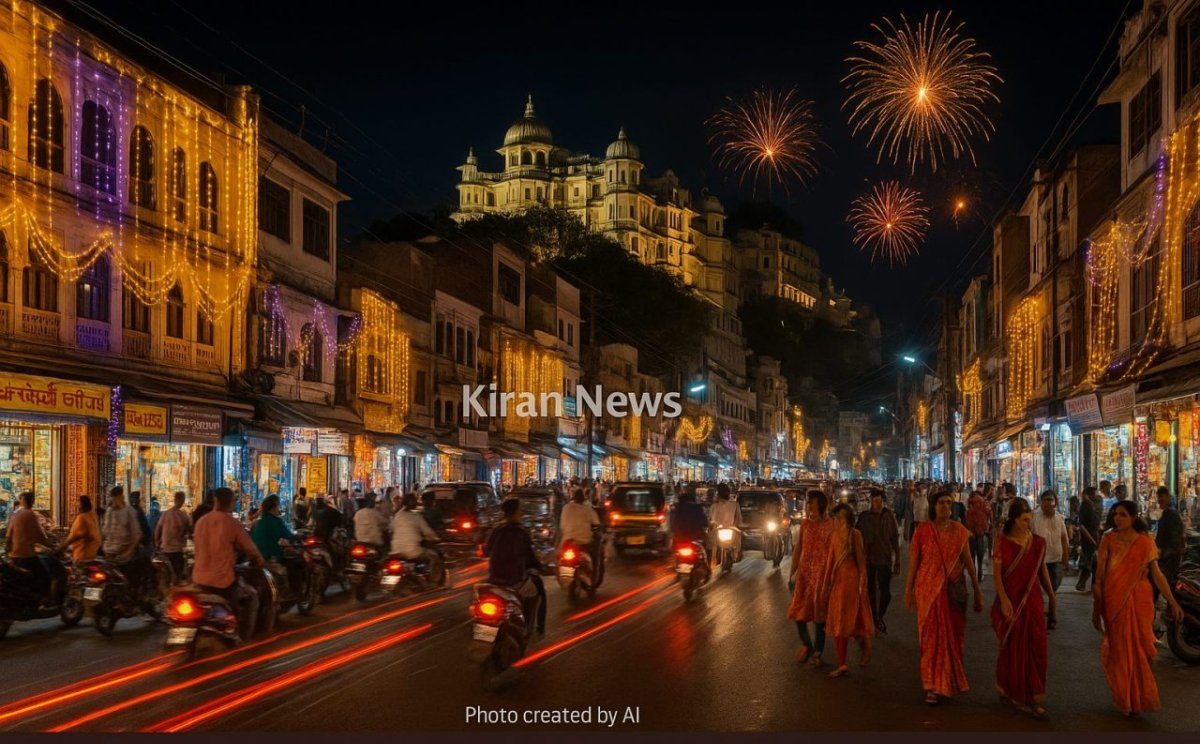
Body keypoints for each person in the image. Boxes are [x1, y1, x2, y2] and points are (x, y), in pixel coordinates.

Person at [1092, 500, 1184, 716]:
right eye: (1116, 514)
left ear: (1133, 517)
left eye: (1123, 515)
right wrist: (1097, 607)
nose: (1117, 518)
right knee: (1120, 651)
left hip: (1141, 600)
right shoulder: (1108, 538)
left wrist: (1173, 601)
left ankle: (1139, 698)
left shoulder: (1144, 542)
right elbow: (1100, 576)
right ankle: (1125, 699)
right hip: (1114, 600)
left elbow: (1157, 574)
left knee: (1141, 651)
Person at [905, 490, 983, 705]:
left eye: (949, 502)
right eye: (941, 502)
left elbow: (968, 563)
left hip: (953, 593)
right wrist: (908, 590)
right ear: (933, 505)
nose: (946, 506)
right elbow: (914, 564)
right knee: (930, 640)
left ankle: (947, 680)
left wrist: (977, 591)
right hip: (927, 592)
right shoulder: (922, 530)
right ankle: (931, 684)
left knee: (953, 638)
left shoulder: (959, 531)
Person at [992, 498, 1056, 718]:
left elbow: (1042, 570)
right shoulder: (1002, 542)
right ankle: (1015, 692)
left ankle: (1033, 693)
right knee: (1013, 646)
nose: (1026, 522)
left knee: (1036, 646)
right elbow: (998, 576)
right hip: (1010, 600)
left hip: (1033, 600)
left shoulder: (1037, 543)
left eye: (1029, 518)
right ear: (1014, 519)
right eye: (1023, 518)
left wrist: (1052, 596)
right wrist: (1004, 600)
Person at [193, 487, 266, 640]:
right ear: (230, 502)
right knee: (251, 598)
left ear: (215, 501)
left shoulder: (201, 521)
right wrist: (260, 561)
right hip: (222, 582)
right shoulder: (231, 523)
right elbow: (251, 549)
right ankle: (243, 638)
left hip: (198, 579)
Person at [821, 503, 875, 677]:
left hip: (852, 585)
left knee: (853, 621)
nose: (836, 521)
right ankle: (842, 663)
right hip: (838, 585)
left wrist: (863, 583)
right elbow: (830, 562)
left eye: (839, 518)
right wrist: (825, 585)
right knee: (838, 623)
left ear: (846, 519)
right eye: (835, 517)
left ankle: (865, 645)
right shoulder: (834, 536)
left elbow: (861, 561)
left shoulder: (855, 535)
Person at [483, 498, 545, 634]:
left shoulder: (496, 530)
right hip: (514, 580)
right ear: (517, 512)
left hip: (494, 579)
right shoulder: (521, 532)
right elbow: (531, 558)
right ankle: (531, 626)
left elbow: (486, 552)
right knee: (537, 587)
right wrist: (542, 568)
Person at [788, 490, 833, 666]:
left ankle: (818, 651)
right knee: (798, 611)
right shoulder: (805, 525)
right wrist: (792, 572)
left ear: (821, 506)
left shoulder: (831, 525)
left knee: (819, 616)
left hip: (821, 575)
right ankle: (807, 644)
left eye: (812, 504)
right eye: (808, 504)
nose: (809, 508)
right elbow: (799, 548)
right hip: (805, 574)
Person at [854, 488, 899, 634]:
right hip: (868, 560)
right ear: (870, 502)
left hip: (884, 559)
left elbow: (894, 538)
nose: (876, 503)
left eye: (879, 500)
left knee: (886, 593)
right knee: (870, 591)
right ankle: (873, 618)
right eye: (874, 500)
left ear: (882, 501)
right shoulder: (864, 517)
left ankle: (879, 616)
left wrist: (897, 559)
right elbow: (855, 536)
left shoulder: (888, 515)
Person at [250, 494, 305, 597]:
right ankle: (294, 592)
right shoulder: (276, 522)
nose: (279, 508)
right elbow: (288, 535)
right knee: (294, 563)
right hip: (271, 557)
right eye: (278, 505)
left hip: (257, 558)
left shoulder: (258, 522)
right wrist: (298, 537)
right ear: (274, 507)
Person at [3, 491, 53, 598]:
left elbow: (8, 536)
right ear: (31, 501)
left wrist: (8, 551)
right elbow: (41, 536)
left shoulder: (15, 515)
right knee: (46, 576)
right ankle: (44, 600)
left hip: (14, 556)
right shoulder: (31, 514)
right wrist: (50, 545)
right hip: (27, 556)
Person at [102, 487, 146, 592]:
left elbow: (137, 535)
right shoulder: (109, 512)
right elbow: (104, 532)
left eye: (115, 498)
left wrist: (128, 552)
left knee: (126, 589)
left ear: (121, 497)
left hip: (125, 559)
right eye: (111, 498)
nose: (112, 501)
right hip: (109, 557)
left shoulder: (129, 511)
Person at [391, 493, 443, 578]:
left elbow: (391, 529)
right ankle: (432, 579)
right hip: (412, 551)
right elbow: (428, 532)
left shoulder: (397, 515)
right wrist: (436, 538)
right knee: (434, 556)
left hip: (396, 550)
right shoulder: (416, 517)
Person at [558, 488, 603, 581]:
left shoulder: (566, 508)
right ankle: (594, 575)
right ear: (583, 498)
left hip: (567, 540)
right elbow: (597, 523)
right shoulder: (588, 509)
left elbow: (562, 525)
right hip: (584, 541)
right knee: (597, 553)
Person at [1031, 491, 1070, 596]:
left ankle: (1051, 601)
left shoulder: (1059, 518)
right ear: (1041, 502)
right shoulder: (1034, 517)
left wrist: (1065, 557)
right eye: (1046, 500)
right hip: (1039, 559)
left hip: (1056, 558)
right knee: (1041, 586)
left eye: (1051, 500)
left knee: (1054, 585)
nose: (1049, 503)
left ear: (1055, 503)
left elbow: (1064, 538)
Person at [1153, 486, 1185, 599]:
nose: (1159, 499)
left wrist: (1163, 550)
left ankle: (1171, 606)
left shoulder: (1169, 513)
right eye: (1158, 497)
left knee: (1164, 578)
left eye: (1161, 496)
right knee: (1166, 579)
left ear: (1168, 497)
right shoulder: (1169, 512)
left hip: (1170, 553)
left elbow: (1171, 534)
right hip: (1171, 551)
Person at [154, 491, 192, 580]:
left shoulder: (166, 514)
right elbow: (190, 530)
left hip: (166, 549)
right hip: (177, 550)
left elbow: (158, 529)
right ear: (182, 500)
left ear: (174, 500)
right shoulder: (183, 516)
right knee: (178, 575)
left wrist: (156, 543)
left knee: (166, 576)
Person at [62, 494, 102, 564]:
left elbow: (75, 536)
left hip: (82, 554)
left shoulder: (82, 518)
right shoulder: (92, 515)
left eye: (79, 503)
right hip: (92, 553)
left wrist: (62, 547)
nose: (77, 506)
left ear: (82, 505)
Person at [1076, 486, 1102, 591]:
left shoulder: (1091, 505)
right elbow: (1082, 525)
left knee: (1093, 561)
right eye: (1095, 494)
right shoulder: (1086, 505)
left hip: (1092, 536)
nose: (1097, 496)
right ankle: (1083, 583)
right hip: (1089, 538)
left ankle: (1091, 584)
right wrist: (1091, 538)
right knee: (1089, 560)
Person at [708, 483, 742, 560]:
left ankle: (736, 554)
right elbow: (710, 519)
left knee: (738, 536)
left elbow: (738, 518)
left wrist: (736, 526)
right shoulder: (715, 505)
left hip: (730, 529)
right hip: (718, 529)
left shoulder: (734, 504)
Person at [966, 489, 991, 579]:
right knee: (980, 549)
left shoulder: (970, 501)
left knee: (972, 550)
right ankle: (980, 568)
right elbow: (989, 512)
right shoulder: (984, 502)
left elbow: (968, 514)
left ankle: (973, 569)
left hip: (971, 528)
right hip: (981, 528)